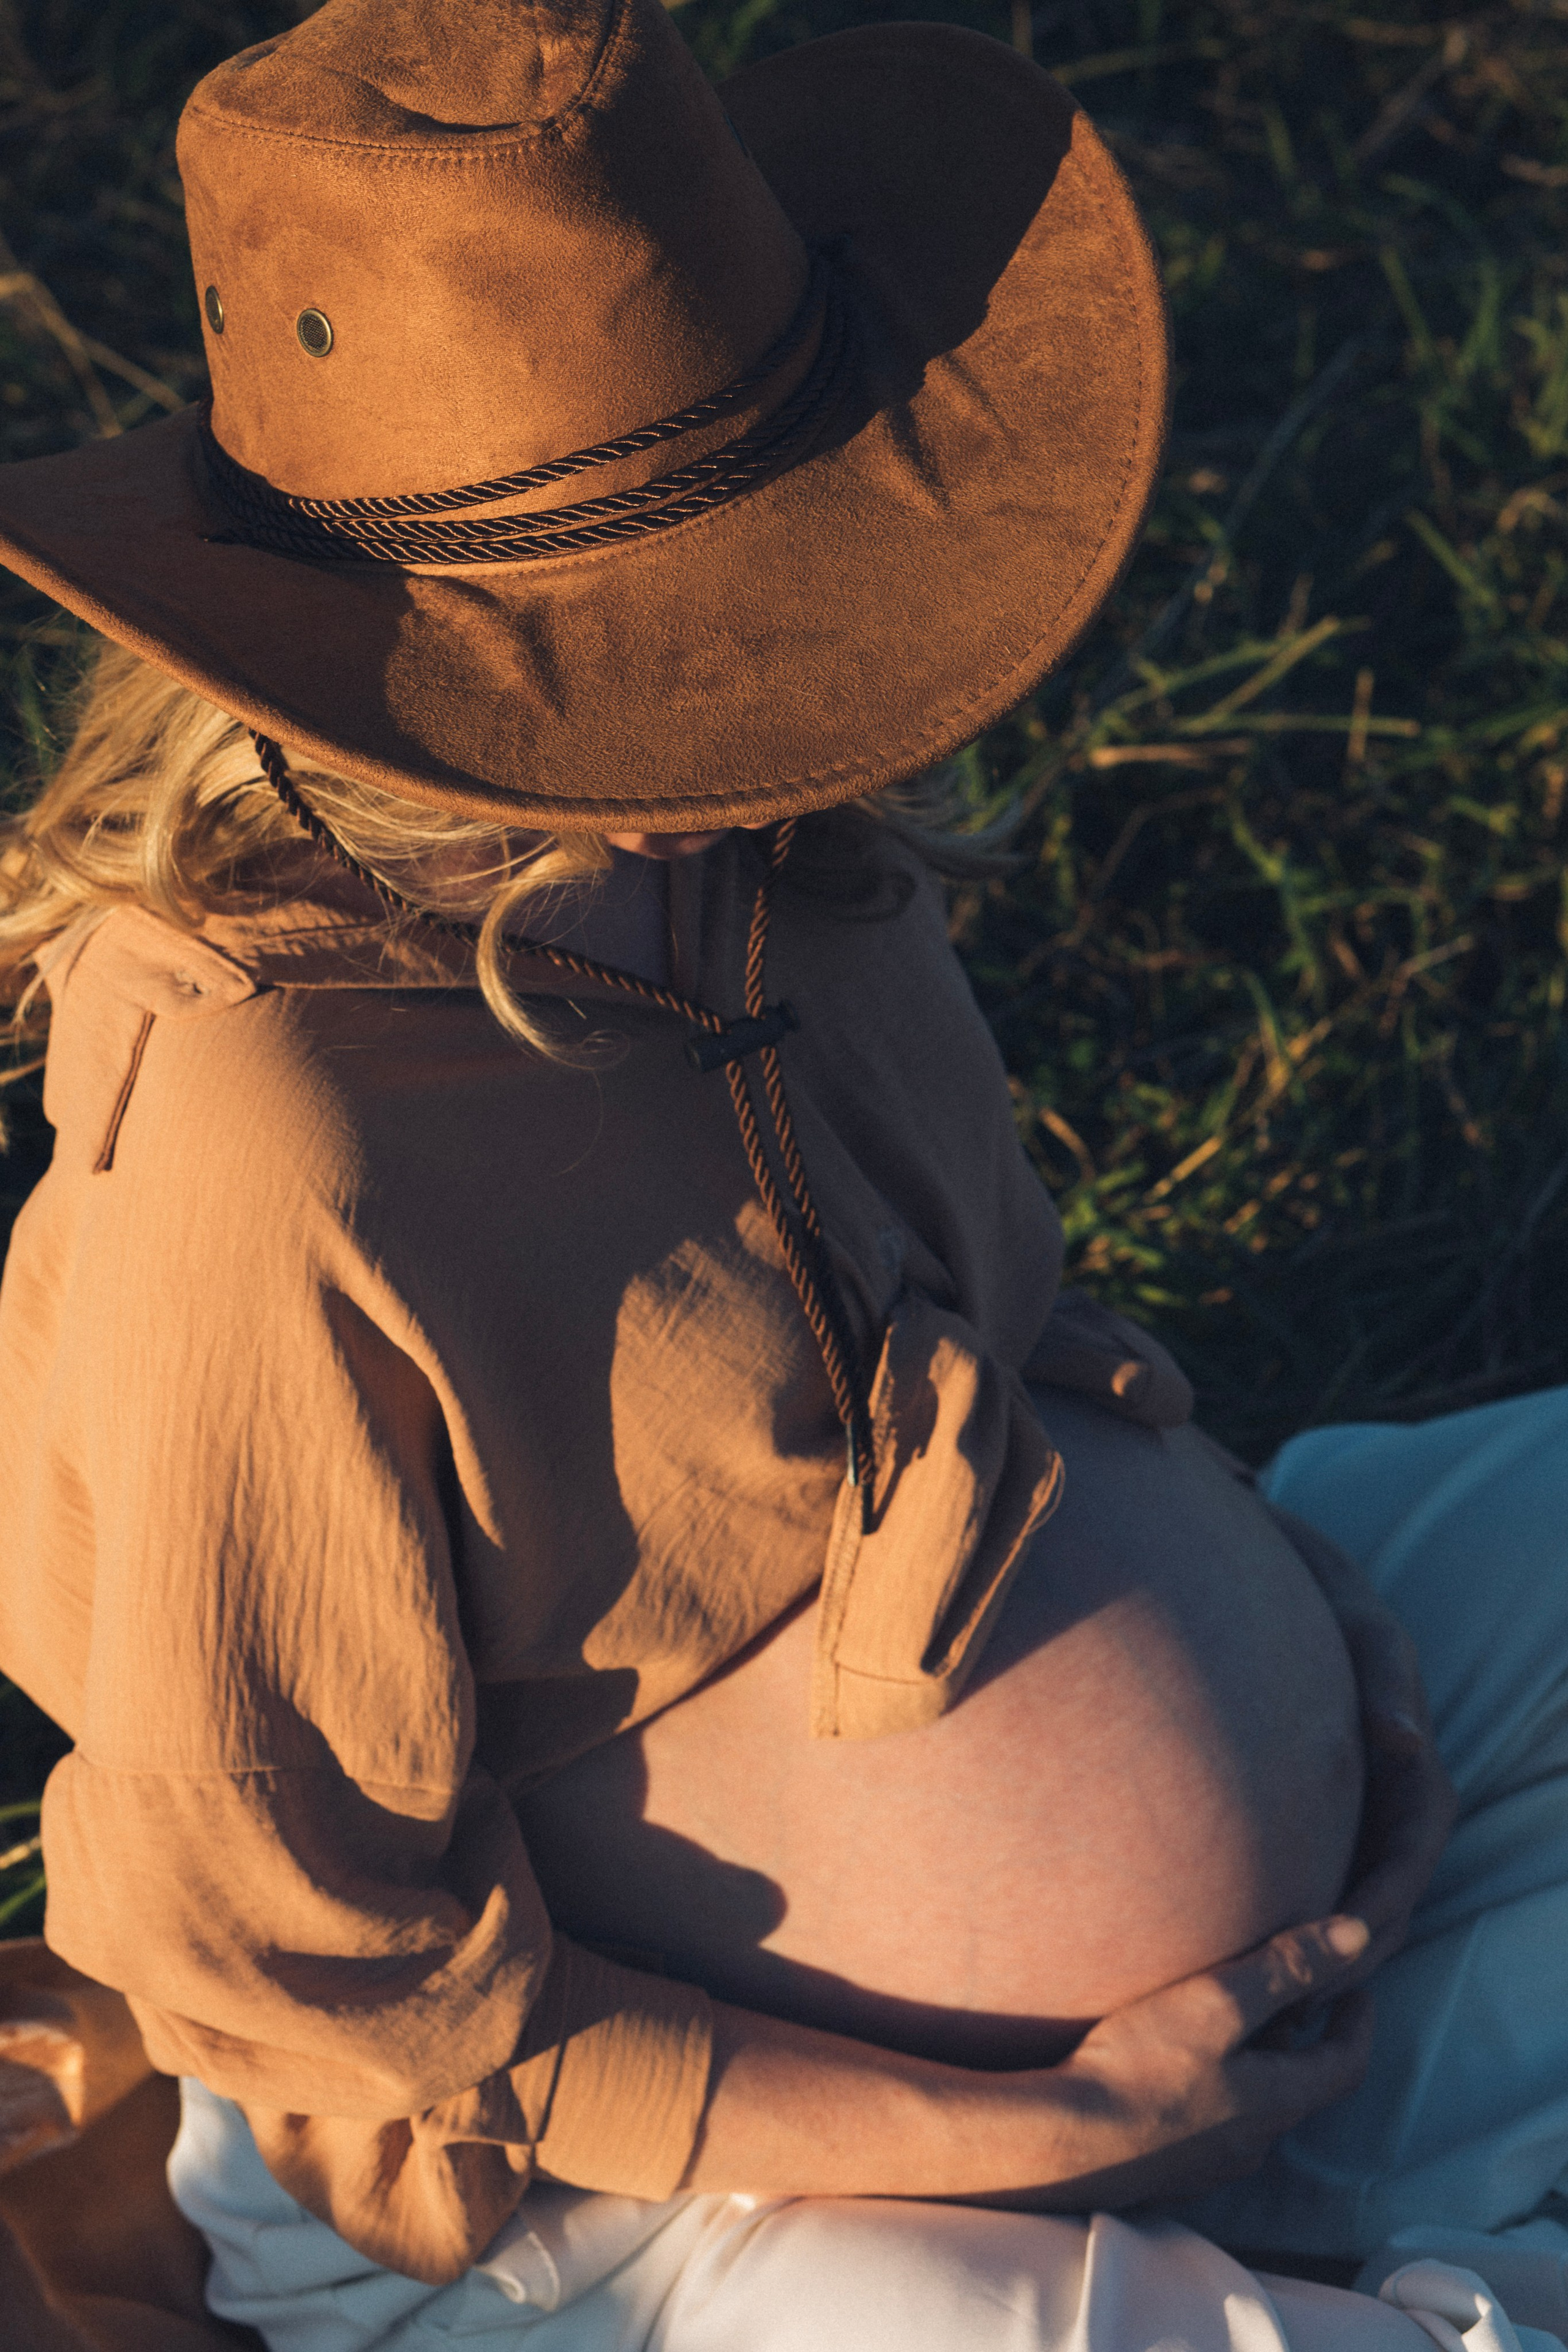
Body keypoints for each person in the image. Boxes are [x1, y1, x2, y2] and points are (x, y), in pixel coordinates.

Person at [0, 3, 1563, 2348]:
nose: (787, 679)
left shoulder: (772, 850)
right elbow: (327, 1968)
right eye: (692, 635)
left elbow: (999, 1332)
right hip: (586, 2175)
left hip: (1101, 1944)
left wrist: (1295, 1630)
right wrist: (1030, 2132)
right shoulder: (275, 1150)